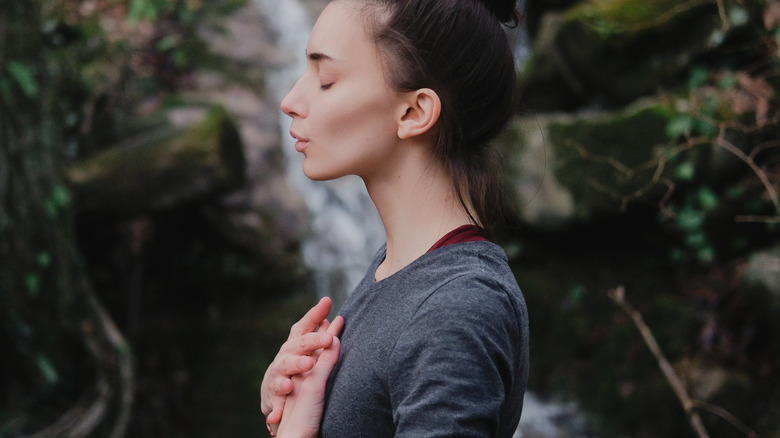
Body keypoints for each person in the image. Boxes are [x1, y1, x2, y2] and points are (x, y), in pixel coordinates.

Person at [261, 0, 529, 436]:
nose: (290, 101)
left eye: (326, 80)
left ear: (414, 112)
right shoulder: (398, 271)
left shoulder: (456, 306)